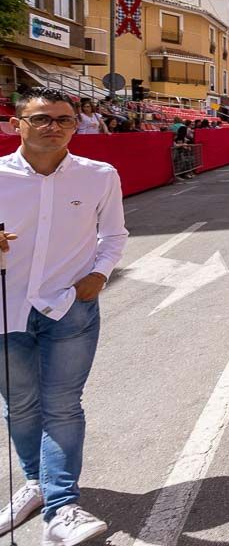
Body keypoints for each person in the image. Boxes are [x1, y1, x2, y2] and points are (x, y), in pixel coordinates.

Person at [0, 87, 127, 544]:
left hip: (68, 307)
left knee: (62, 406)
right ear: (17, 124)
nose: (52, 126)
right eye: (40, 118)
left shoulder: (99, 175)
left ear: (76, 125)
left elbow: (114, 235)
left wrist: (97, 277)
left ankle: (62, 506)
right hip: (4, 308)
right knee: (20, 404)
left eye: (63, 119)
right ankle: (35, 483)